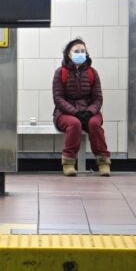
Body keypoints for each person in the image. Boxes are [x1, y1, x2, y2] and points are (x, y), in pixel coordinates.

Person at [52, 38, 111, 177]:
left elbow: (98, 98)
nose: (80, 53)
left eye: (83, 51)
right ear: (68, 54)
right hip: (65, 112)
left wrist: (90, 112)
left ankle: (103, 162)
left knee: (95, 124)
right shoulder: (60, 72)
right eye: (76, 51)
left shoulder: (92, 73)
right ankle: (68, 163)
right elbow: (58, 98)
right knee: (74, 124)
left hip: (89, 110)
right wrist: (75, 112)